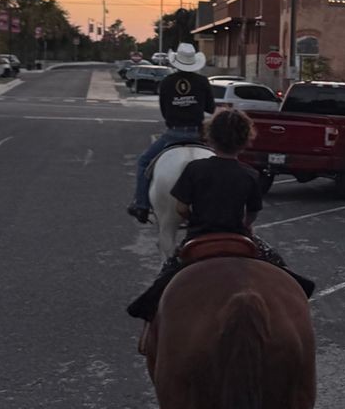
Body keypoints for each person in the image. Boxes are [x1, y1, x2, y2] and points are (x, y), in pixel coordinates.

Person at [126, 107, 313, 320]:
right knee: (279, 264)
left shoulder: (194, 169)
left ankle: (148, 314)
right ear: (245, 141)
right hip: (238, 236)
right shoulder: (250, 174)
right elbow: (252, 214)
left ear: (210, 138)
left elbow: (181, 208)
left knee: (165, 276)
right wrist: (245, 224)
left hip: (199, 236)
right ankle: (299, 292)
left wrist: (193, 218)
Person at [128, 43, 215, 221]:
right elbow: (211, 108)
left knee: (144, 162)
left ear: (177, 62)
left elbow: (164, 111)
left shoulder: (167, 82)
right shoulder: (202, 81)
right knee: (223, 162)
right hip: (197, 134)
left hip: (173, 134)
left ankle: (141, 205)